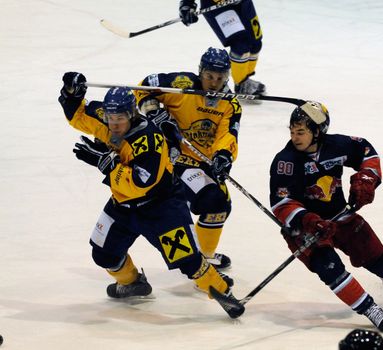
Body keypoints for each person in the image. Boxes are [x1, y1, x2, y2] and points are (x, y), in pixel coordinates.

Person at [57, 72, 244, 318]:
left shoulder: (150, 139)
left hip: (160, 207)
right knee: (104, 254)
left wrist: (107, 163)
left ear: (132, 114)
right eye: (110, 118)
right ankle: (133, 283)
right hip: (122, 206)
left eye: (120, 119)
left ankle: (222, 292)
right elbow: (79, 116)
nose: (114, 125)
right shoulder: (108, 118)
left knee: (188, 259)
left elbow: (141, 182)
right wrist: (72, 93)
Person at [269, 101, 383, 332]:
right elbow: (282, 203)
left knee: (374, 254)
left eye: (301, 132)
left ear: (318, 132)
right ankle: (369, 308)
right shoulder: (285, 161)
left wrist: (367, 179)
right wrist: (308, 221)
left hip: (341, 216)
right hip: (307, 228)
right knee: (329, 268)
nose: (295, 137)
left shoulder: (336, 145)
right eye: (292, 132)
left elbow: (367, 151)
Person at [134, 47, 241, 270]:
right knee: (215, 204)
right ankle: (201, 265)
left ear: (227, 77)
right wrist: (154, 111)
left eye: (220, 78)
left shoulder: (230, 104)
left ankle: (204, 255)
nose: (213, 82)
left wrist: (223, 156)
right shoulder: (181, 84)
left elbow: (227, 134)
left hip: (204, 161)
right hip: (174, 158)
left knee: (222, 206)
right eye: (209, 76)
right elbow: (142, 87)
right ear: (200, 72)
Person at [179, 0, 266, 95]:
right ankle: (241, 83)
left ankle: (246, 77)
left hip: (243, 3)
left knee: (255, 42)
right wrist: (187, 4)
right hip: (218, 4)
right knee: (241, 44)